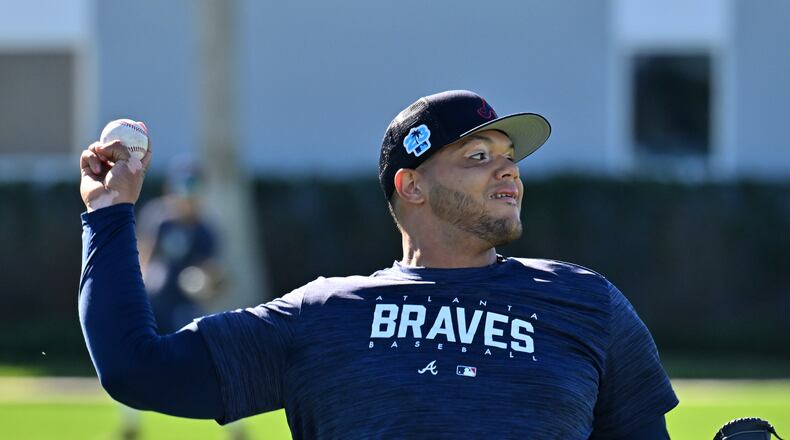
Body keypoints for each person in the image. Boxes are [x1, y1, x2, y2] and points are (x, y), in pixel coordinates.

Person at [78, 90, 678, 439]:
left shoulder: (587, 304)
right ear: (410, 186)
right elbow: (136, 369)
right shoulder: (321, 318)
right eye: (477, 155)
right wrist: (108, 214)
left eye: (509, 156)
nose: (509, 169)